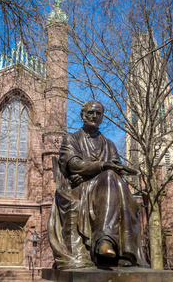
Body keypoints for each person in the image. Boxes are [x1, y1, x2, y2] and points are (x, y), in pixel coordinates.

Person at [48, 100, 148, 269]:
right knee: (110, 176)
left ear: (102, 118)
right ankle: (105, 240)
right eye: (90, 113)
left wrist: (122, 170)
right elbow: (73, 164)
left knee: (118, 184)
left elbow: (115, 166)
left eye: (98, 113)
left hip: (108, 189)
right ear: (82, 115)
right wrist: (101, 167)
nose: (94, 116)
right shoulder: (71, 139)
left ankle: (123, 251)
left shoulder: (109, 144)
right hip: (81, 189)